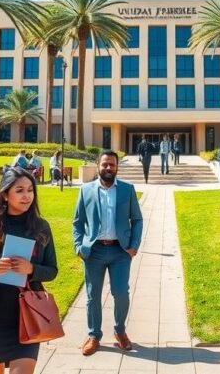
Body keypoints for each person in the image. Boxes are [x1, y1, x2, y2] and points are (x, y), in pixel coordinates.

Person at [0, 167, 58, 373]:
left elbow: (52, 270)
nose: (27, 196)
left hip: (28, 316)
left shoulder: (41, 227)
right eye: (20, 190)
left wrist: (31, 269)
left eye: (30, 190)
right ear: (5, 194)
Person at [72, 151, 144, 356]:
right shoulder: (85, 190)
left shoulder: (127, 190)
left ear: (117, 167)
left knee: (120, 293)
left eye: (112, 165)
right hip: (93, 251)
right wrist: (79, 245)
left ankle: (120, 332)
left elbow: (137, 219)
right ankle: (94, 336)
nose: (108, 168)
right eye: (105, 164)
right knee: (92, 295)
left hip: (120, 251)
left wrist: (134, 245)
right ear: (98, 166)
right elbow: (77, 222)